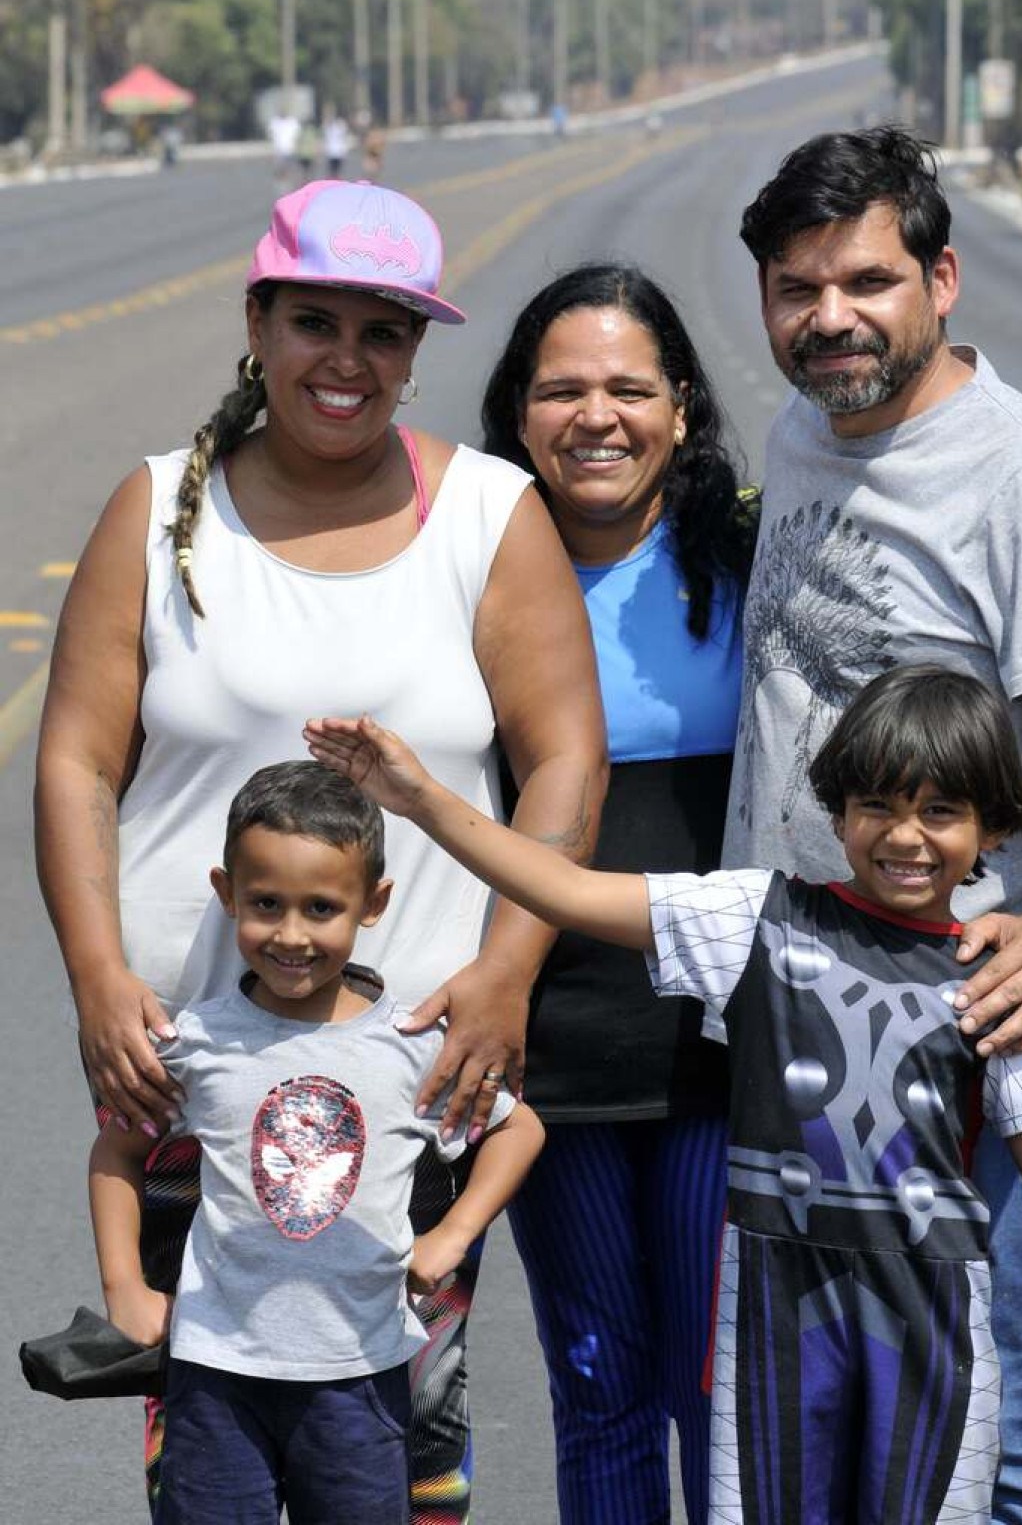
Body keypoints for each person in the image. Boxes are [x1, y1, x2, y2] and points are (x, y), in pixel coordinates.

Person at [34, 176, 607, 1520]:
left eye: (384, 329)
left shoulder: (488, 515)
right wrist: (100, 975)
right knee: (210, 1459)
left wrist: (510, 966)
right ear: (258, 321)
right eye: (313, 320)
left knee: (402, 1450)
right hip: (198, 1073)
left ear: (416, 350)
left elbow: (566, 757)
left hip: (410, 1073)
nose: (346, 359)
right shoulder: (158, 508)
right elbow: (75, 759)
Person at [304, 668, 1022, 1524]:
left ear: (993, 828)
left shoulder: (999, 984)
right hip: (774, 1327)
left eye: (941, 811)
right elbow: (566, 887)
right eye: (878, 804)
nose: (906, 836)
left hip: (935, 1341)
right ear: (837, 812)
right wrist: (420, 799)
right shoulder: (756, 920)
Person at [724, 125, 1022, 1523]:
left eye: (866, 280)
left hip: (981, 1029)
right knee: (851, 1405)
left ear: (943, 277)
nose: (831, 316)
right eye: (798, 288)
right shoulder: (806, 427)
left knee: (1005, 1396)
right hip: (819, 1010)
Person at [89, 760, 544, 1525]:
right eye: (265, 904)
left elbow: (518, 1128)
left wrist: (452, 1235)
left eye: (321, 907)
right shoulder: (194, 1041)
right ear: (226, 892)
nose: (291, 934)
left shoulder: (410, 1045)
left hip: (361, 1377)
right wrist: (124, 1287)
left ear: (374, 904)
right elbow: (117, 1150)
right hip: (214, 1373)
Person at [480, 264, 757, 1523]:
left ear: (683, 408)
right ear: (519, 413)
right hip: (551, 1043)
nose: (598, 416)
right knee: (599, 1386)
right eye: (562, 389)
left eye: (630, 387)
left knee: (719, 1389)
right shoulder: (467, 566)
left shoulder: (760, 559)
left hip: (729, 1038)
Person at [324, 111, 352, 178]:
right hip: (333, 151)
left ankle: (334, 180)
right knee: (334, 170)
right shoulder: (332, 125)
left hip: (337, 151)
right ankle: (335, 180)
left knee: (334, 170)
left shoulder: (339, 125)